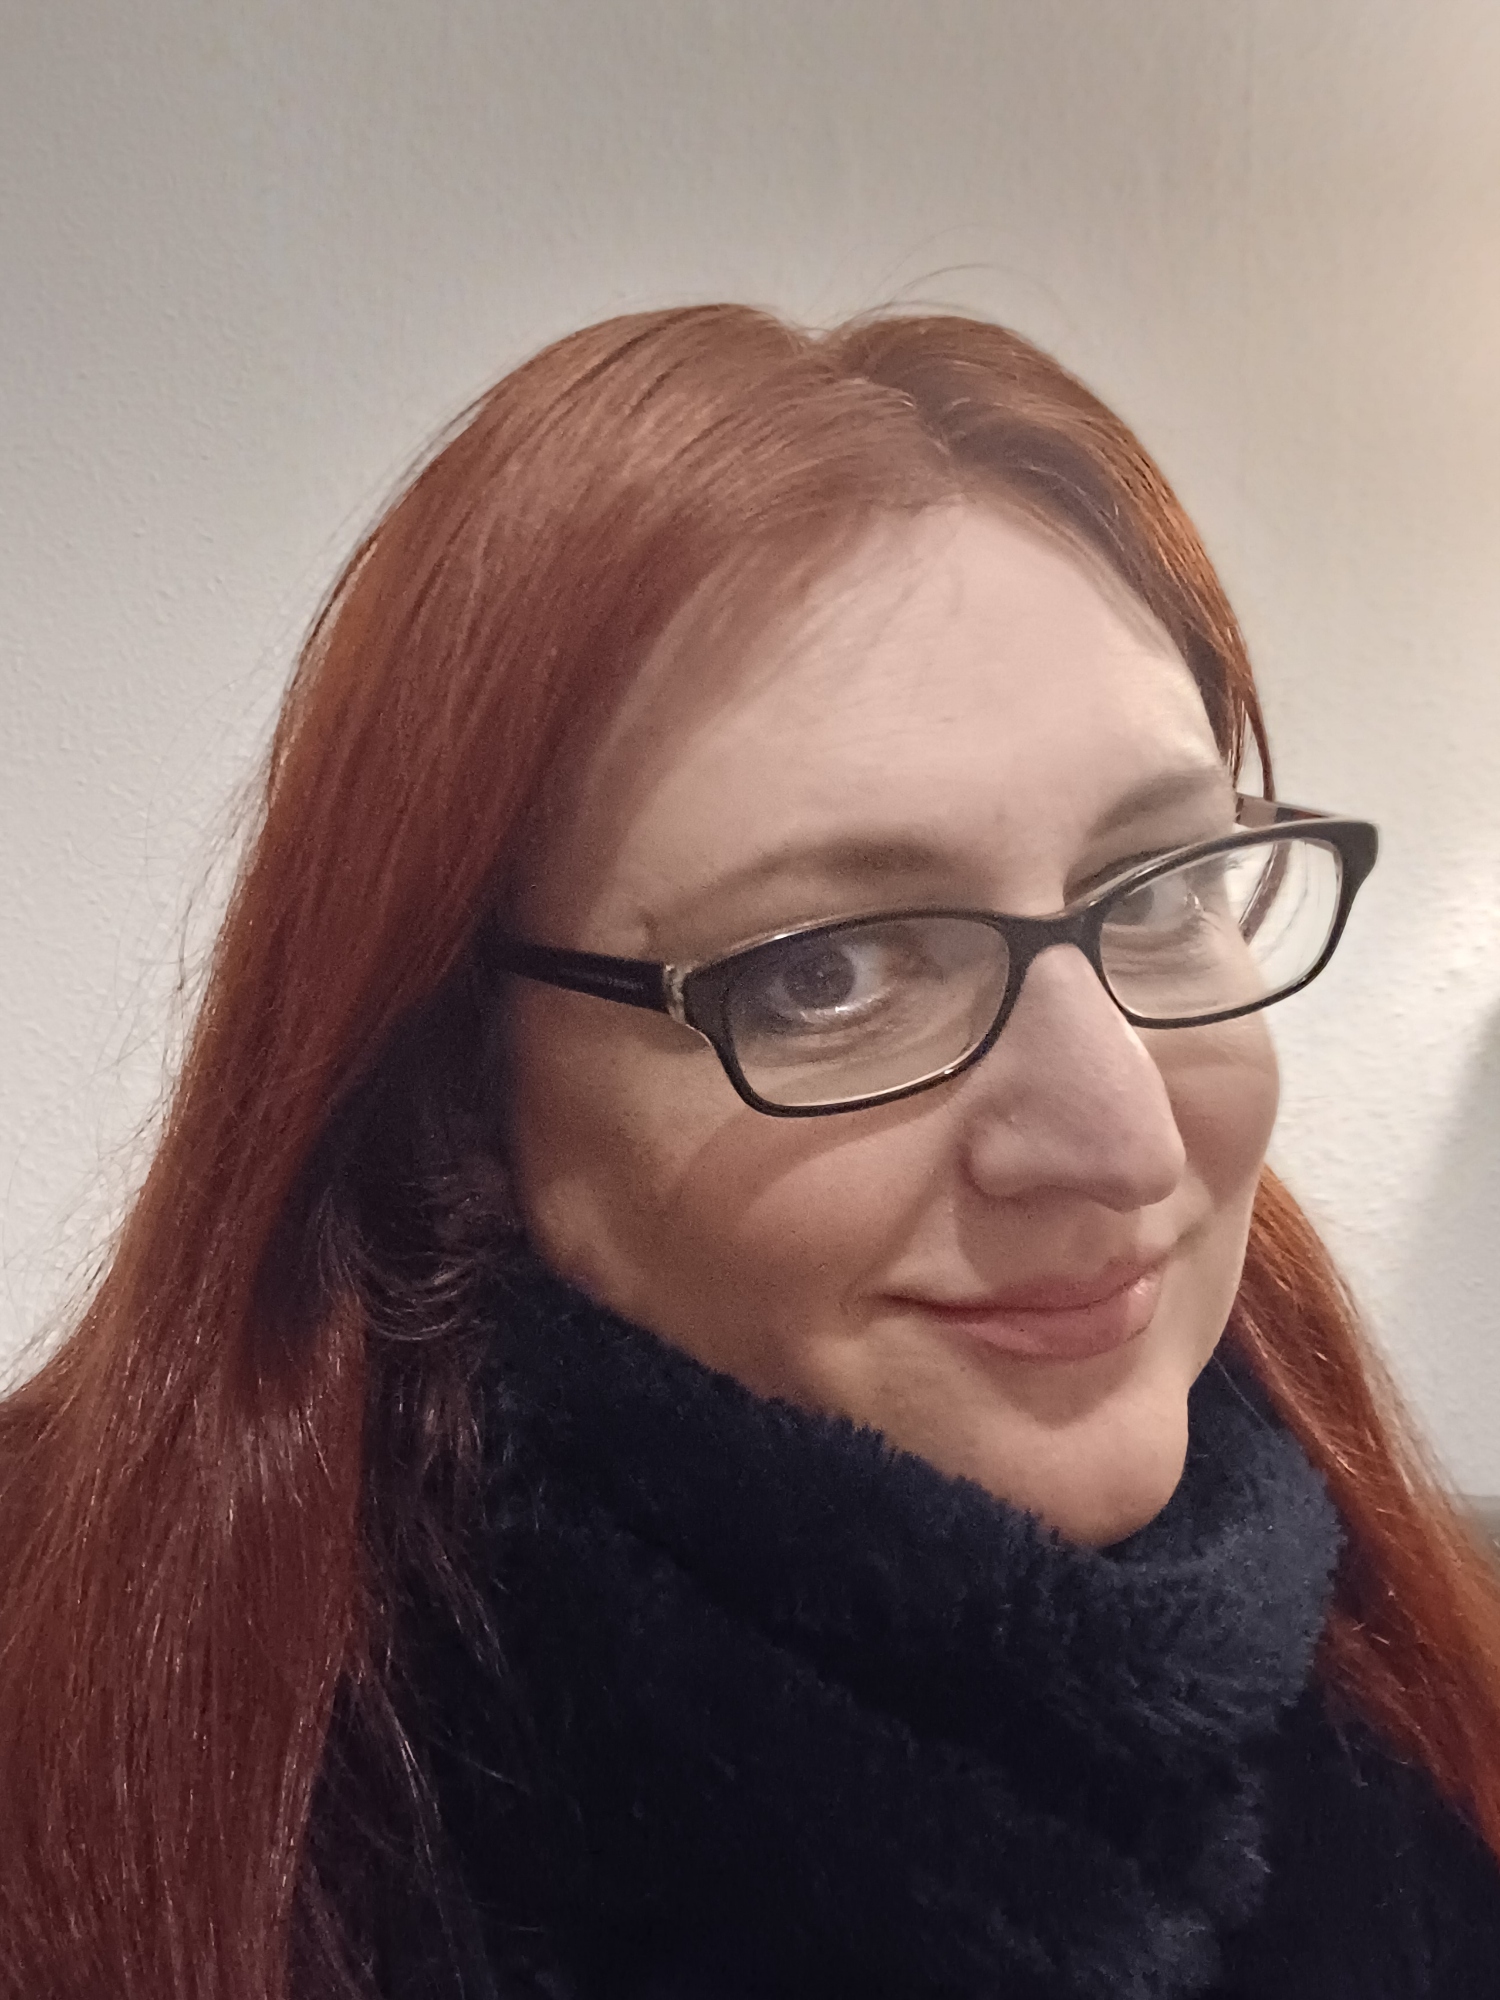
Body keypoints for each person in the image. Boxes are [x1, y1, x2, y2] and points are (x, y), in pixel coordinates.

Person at [2, 306, 1499, 2000]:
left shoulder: (1410, 1728)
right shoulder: (97, 1774)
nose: (1122, 1140)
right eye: (827, 972)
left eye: (1162, 890)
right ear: (458, 1088)